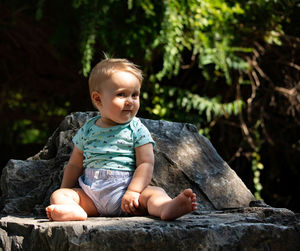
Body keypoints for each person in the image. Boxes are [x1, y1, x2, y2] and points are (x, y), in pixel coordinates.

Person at [45, 58, 197, 221]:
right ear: (98, 99)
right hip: (91, 196)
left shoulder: (136, 129)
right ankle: (72, 210)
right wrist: (65, 193)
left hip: (128, 195)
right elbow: (74, 164)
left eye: (134, 95)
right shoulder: (87, 129)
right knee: (59, 194)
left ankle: (166, 207)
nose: (130, 101)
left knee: (155, 193)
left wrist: (133, 191)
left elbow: (146, 163)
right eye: (121, 94)